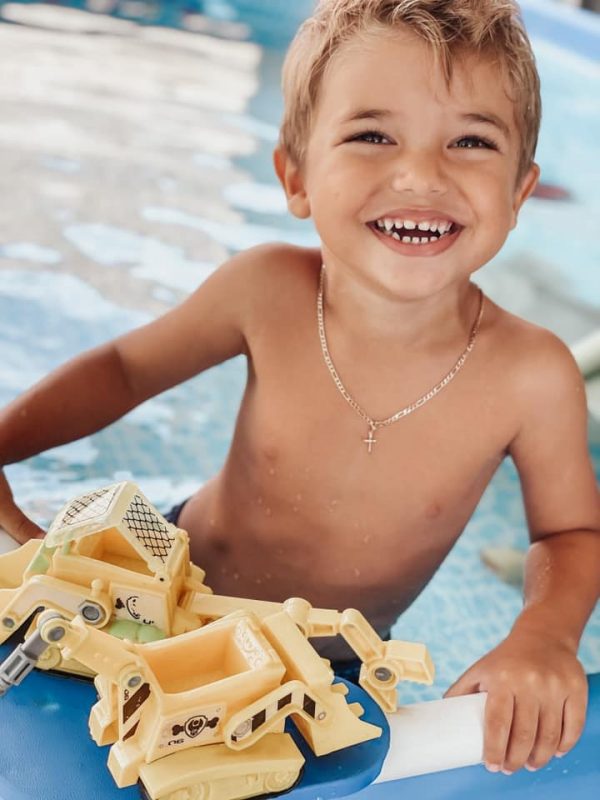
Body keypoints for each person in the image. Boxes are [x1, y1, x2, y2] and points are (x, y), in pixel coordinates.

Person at [0, 0, 598, 778]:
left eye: (472, 141)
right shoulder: (267, 291)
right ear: (295, 175)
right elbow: (124, 370)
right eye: (372, 135)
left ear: (520, 194)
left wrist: (542, 637)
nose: (421, 172)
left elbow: (570, 535)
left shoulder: (532, 373)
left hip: (323, 666)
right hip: (161, 596)